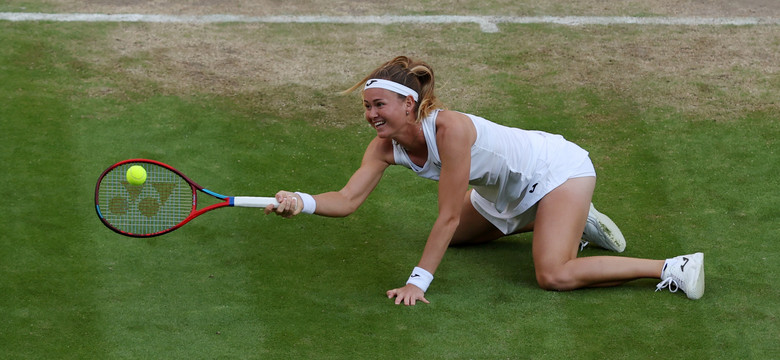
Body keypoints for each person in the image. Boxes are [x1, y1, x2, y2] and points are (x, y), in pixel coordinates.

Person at [264, 56, 705, 305]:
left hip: (556, 171)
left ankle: (672, 268)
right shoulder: (384, 147)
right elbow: (346, 198)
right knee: (455, 243)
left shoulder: (449, 130)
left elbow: (450, 214)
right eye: (366, 106)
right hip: (506, 193)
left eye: (379, 104)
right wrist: (300, 201)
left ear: (408, 104)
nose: (371, 115)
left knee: (553, 274)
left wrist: (419, 281)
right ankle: (570, 222)